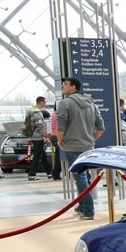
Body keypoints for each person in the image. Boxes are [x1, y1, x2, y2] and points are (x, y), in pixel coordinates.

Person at [56, 77, 104, 220]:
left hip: (72, 145)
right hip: (88, 146)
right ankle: (82, 206)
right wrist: (91, 139)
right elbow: (101, 127)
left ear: (73, 87)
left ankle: (88, 210)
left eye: (65, 84)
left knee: (80, 177)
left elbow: (61, 126)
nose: (63, 86)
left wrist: (60, 141)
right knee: (86, 176)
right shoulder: (91, 103)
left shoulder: (65, 103)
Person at [25, 96, 53, 181]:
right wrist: (48, 136)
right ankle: (32, 174)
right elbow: (40, 128)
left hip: (33, 136)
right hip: (38, 138)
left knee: (43, 156)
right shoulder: (37, 114)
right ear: (41, 102)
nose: (45, 104)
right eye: (45, 102)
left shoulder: (30, 111)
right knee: (37, 157)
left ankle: (49, 172)